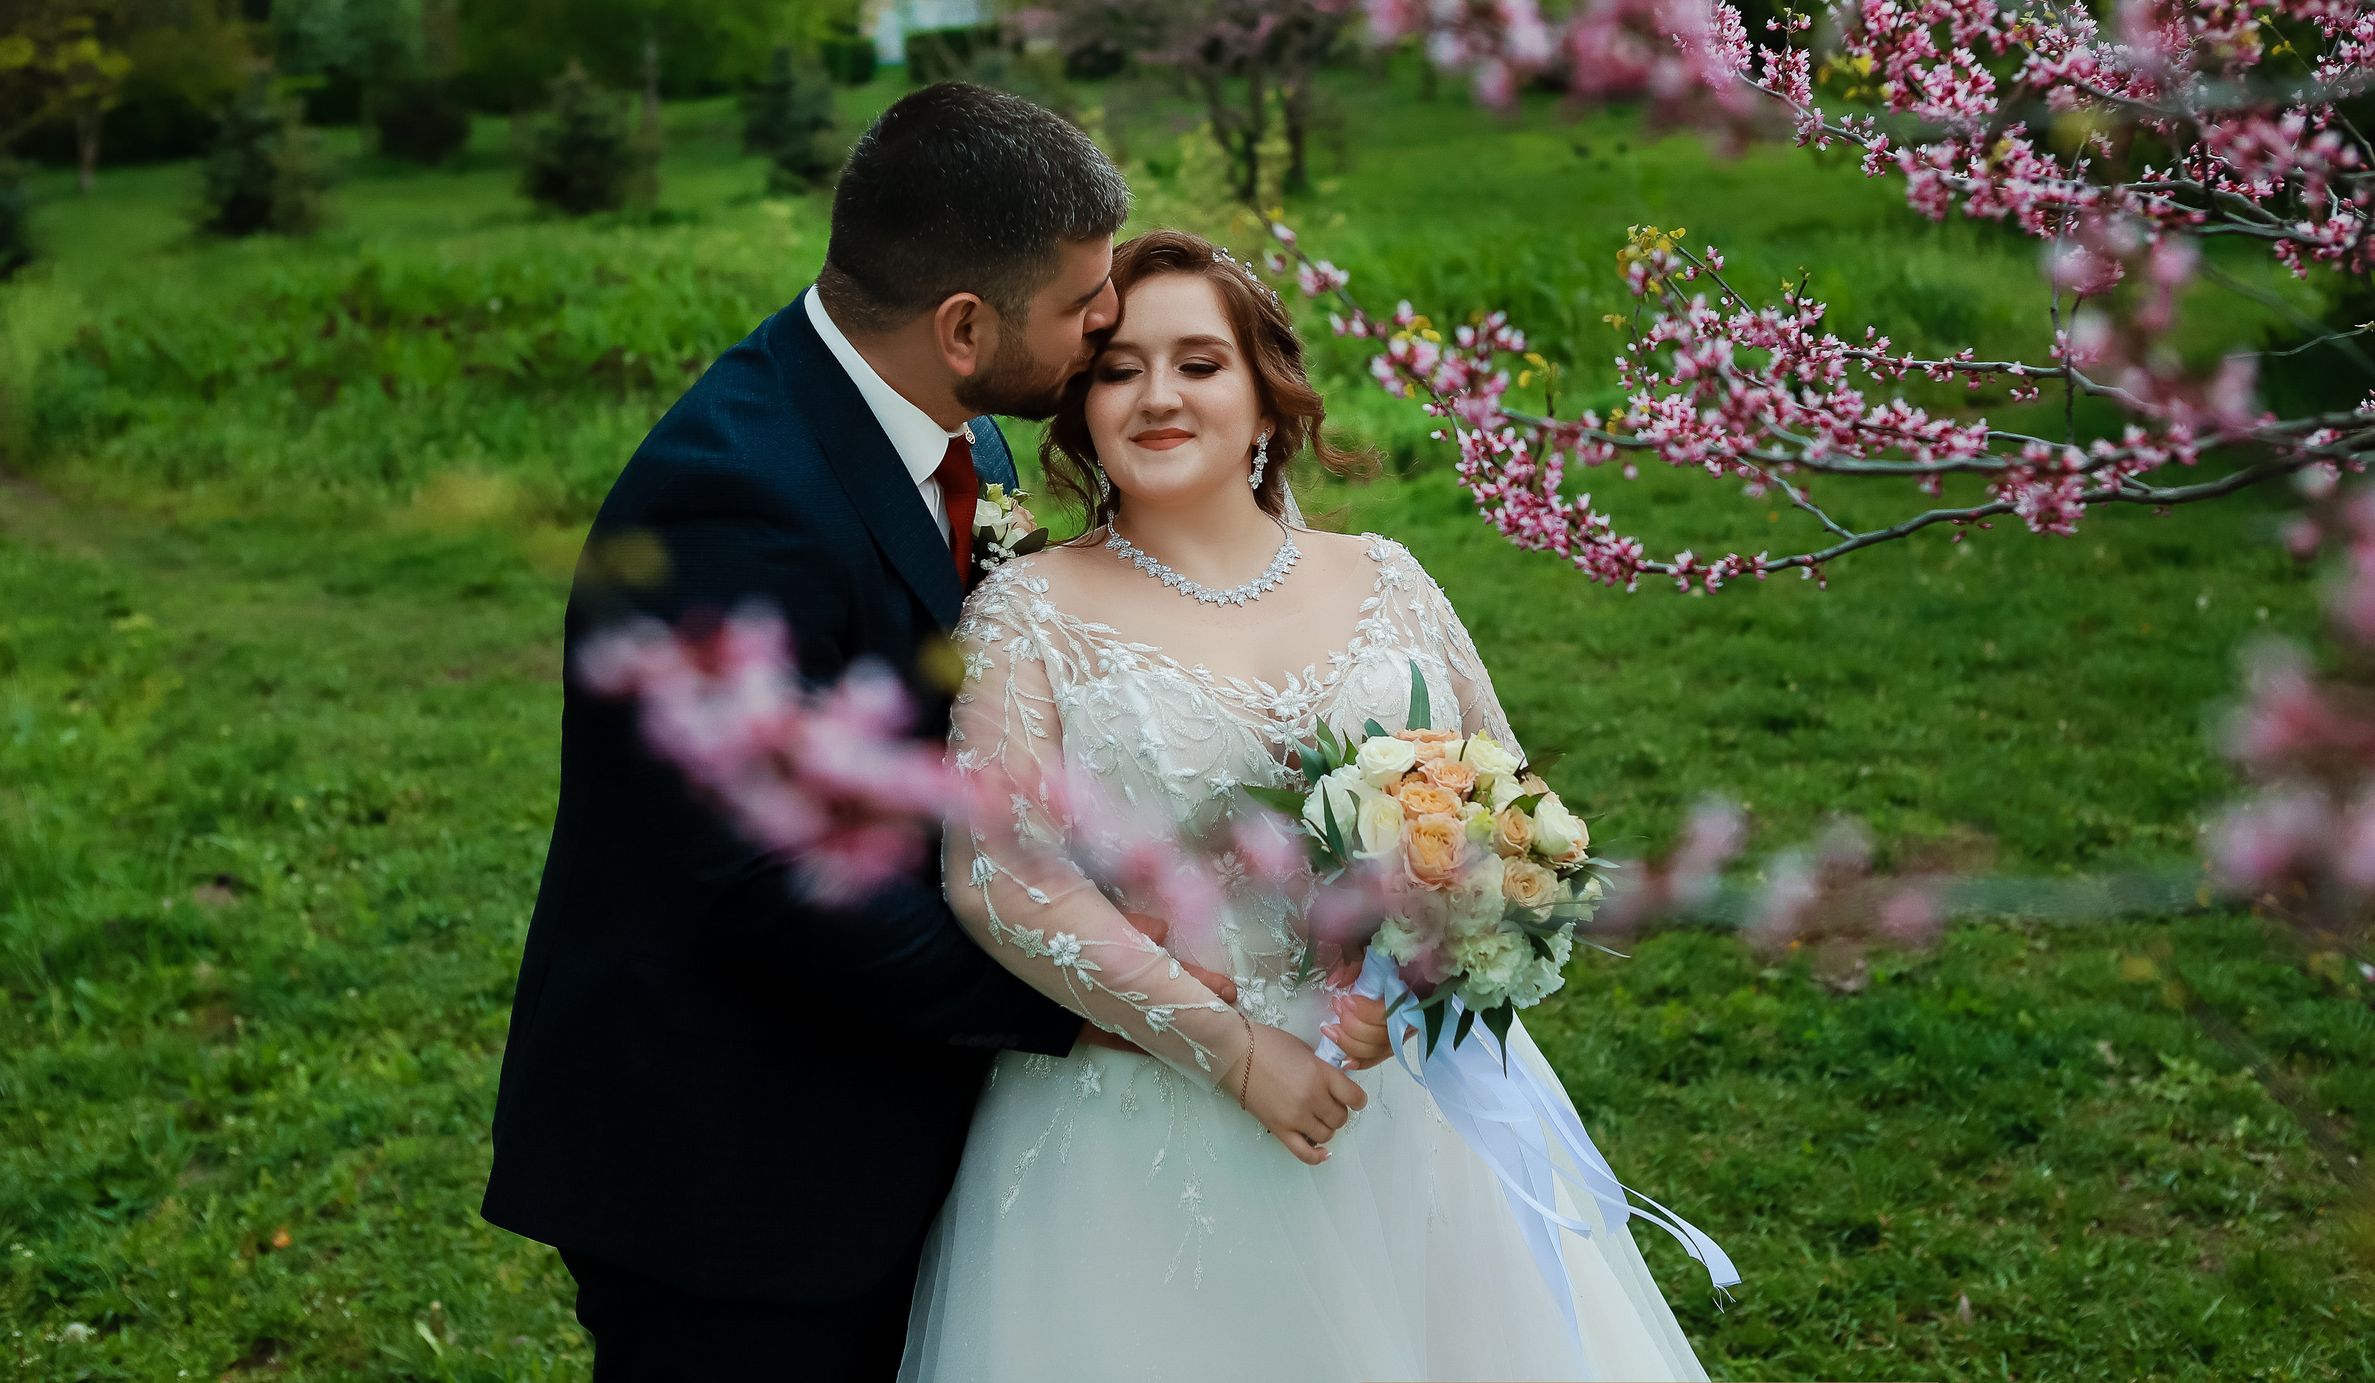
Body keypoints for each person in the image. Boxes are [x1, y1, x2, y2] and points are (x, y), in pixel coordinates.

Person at [481, 86, 1392, 1381]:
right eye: (1083, 302)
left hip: (888, 1106)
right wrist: (1101, 996)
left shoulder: (953, 432)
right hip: (735, 1175)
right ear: (964, 326)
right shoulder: (731, 503)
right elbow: (771, 880)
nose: (1107, 316)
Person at [905, 229, 1713, 1382]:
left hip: (1406, 1100)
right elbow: (1000, 873)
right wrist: (1235, 1052)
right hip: (1151, 1113)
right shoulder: (1027, 610)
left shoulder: (1386, 577)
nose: (1157, 396)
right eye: (1120, 370)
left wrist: (1418, 977)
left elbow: (1509, 808)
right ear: (1080, 408)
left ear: (1265, 397)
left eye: (1198, 363)